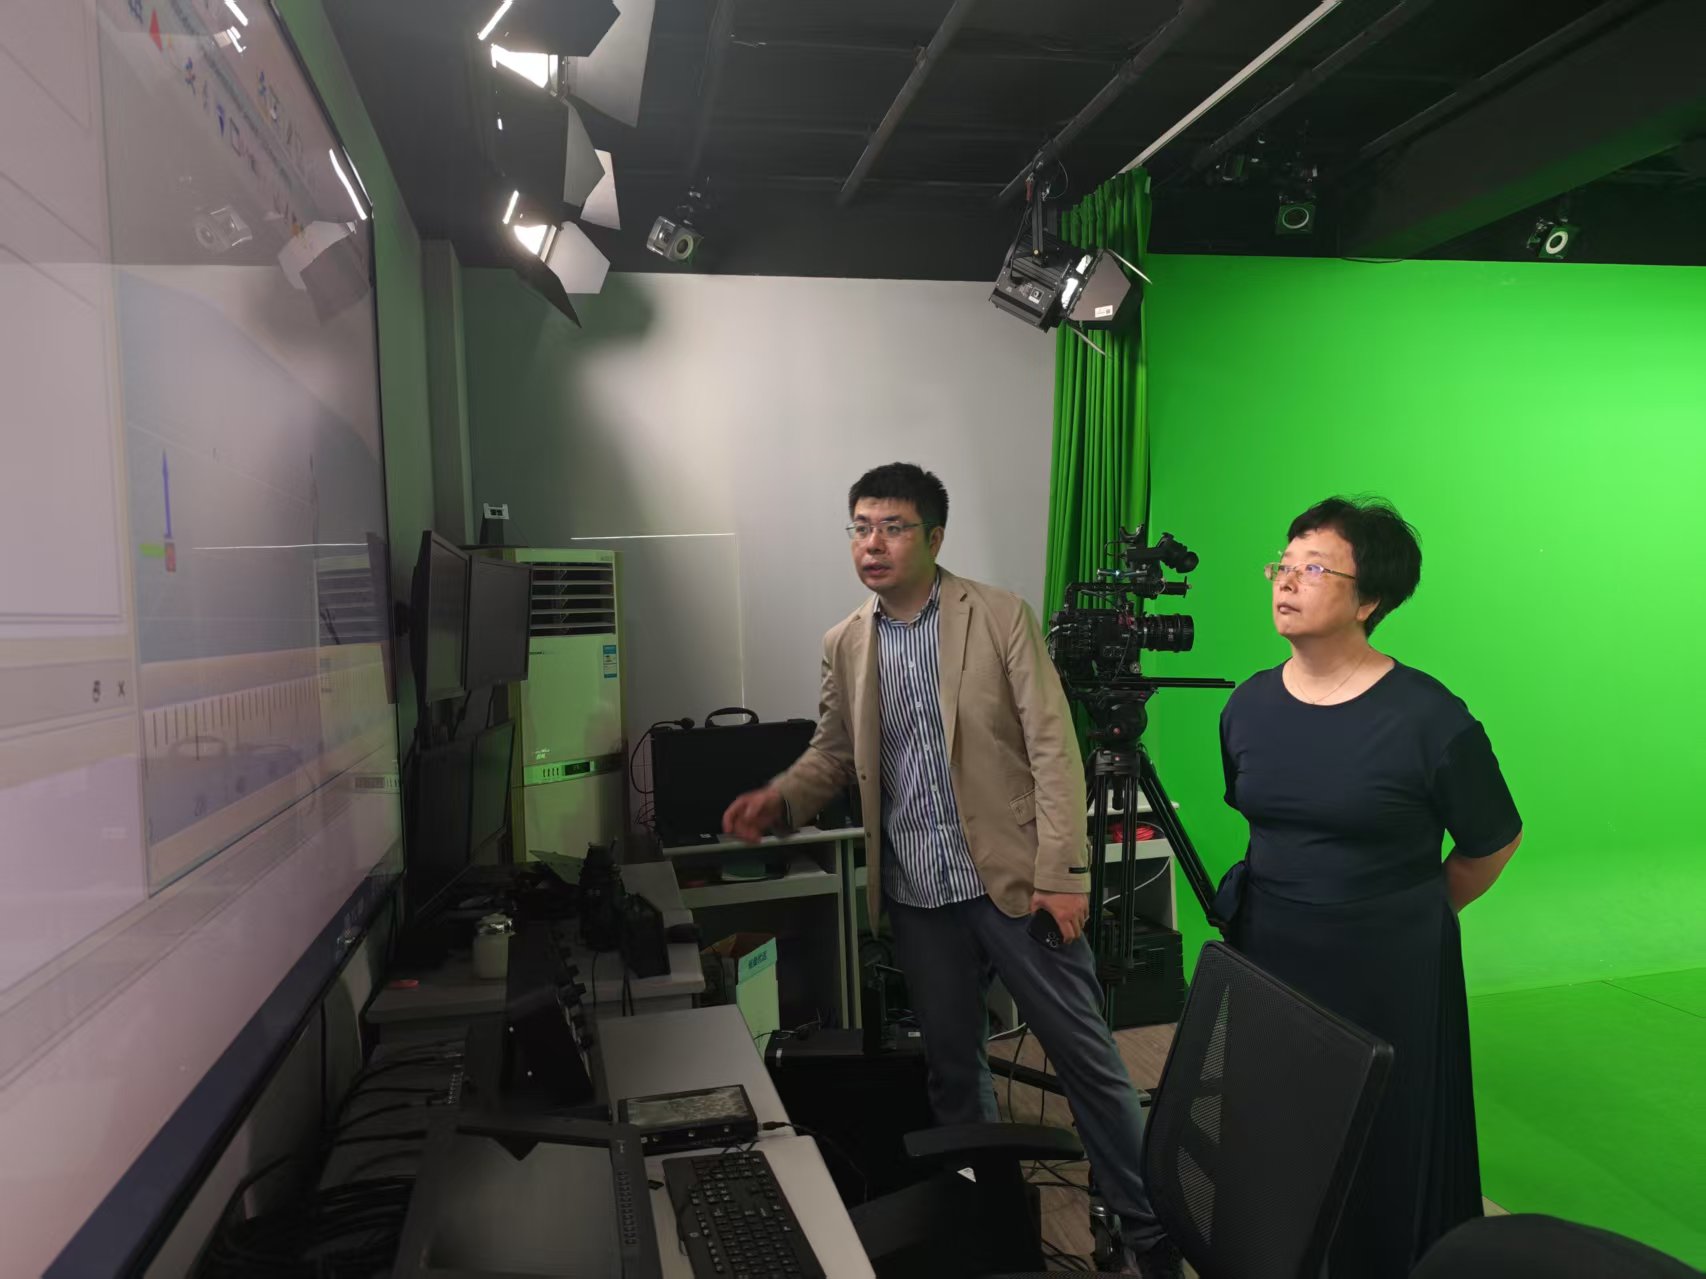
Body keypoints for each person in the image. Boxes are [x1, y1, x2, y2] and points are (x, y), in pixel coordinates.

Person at [724, 463, 1179, 1278]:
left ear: (935, 537)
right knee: (952, 1070)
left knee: (1086, 1061)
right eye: (861, 526)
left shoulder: (998, 616)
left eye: (893, 526)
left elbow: (1053, 745)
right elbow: (834, 753)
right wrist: (781, 798)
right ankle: (985, 1229)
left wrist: (1063, 872)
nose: (873, 542)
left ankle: (1149, 1233)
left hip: (1015, 884)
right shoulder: (845, 641)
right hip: (919, 894)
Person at [1217, 496, 1523, 1278]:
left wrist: (1413, 913)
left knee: (1381, 1156)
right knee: (1276, 1146)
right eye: (1282, 564)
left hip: (1389, 972)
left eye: (1313, 568)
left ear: (1369, 599)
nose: (1287, 581)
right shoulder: (1247, 704)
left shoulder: (1428, 717)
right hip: (1272, 957)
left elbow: (1493, 839)